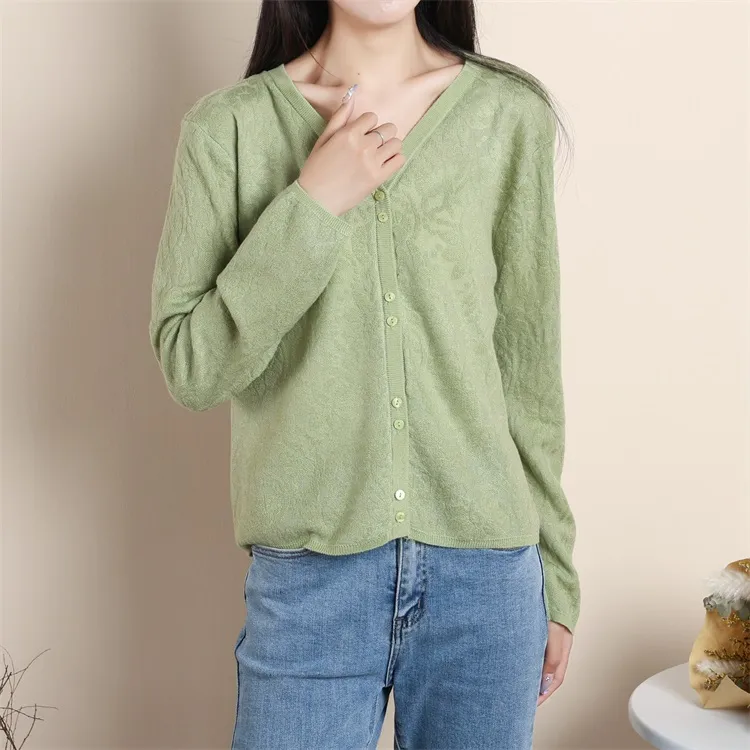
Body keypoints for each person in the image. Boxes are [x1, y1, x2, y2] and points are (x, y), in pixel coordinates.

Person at [148, 1, 581, 747]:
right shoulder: (229, 130)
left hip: (487, 583)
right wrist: (313, 204)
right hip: (310, 587)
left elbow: (528, 370)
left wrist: (557, 578)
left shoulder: (507, 117)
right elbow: (191, 365)